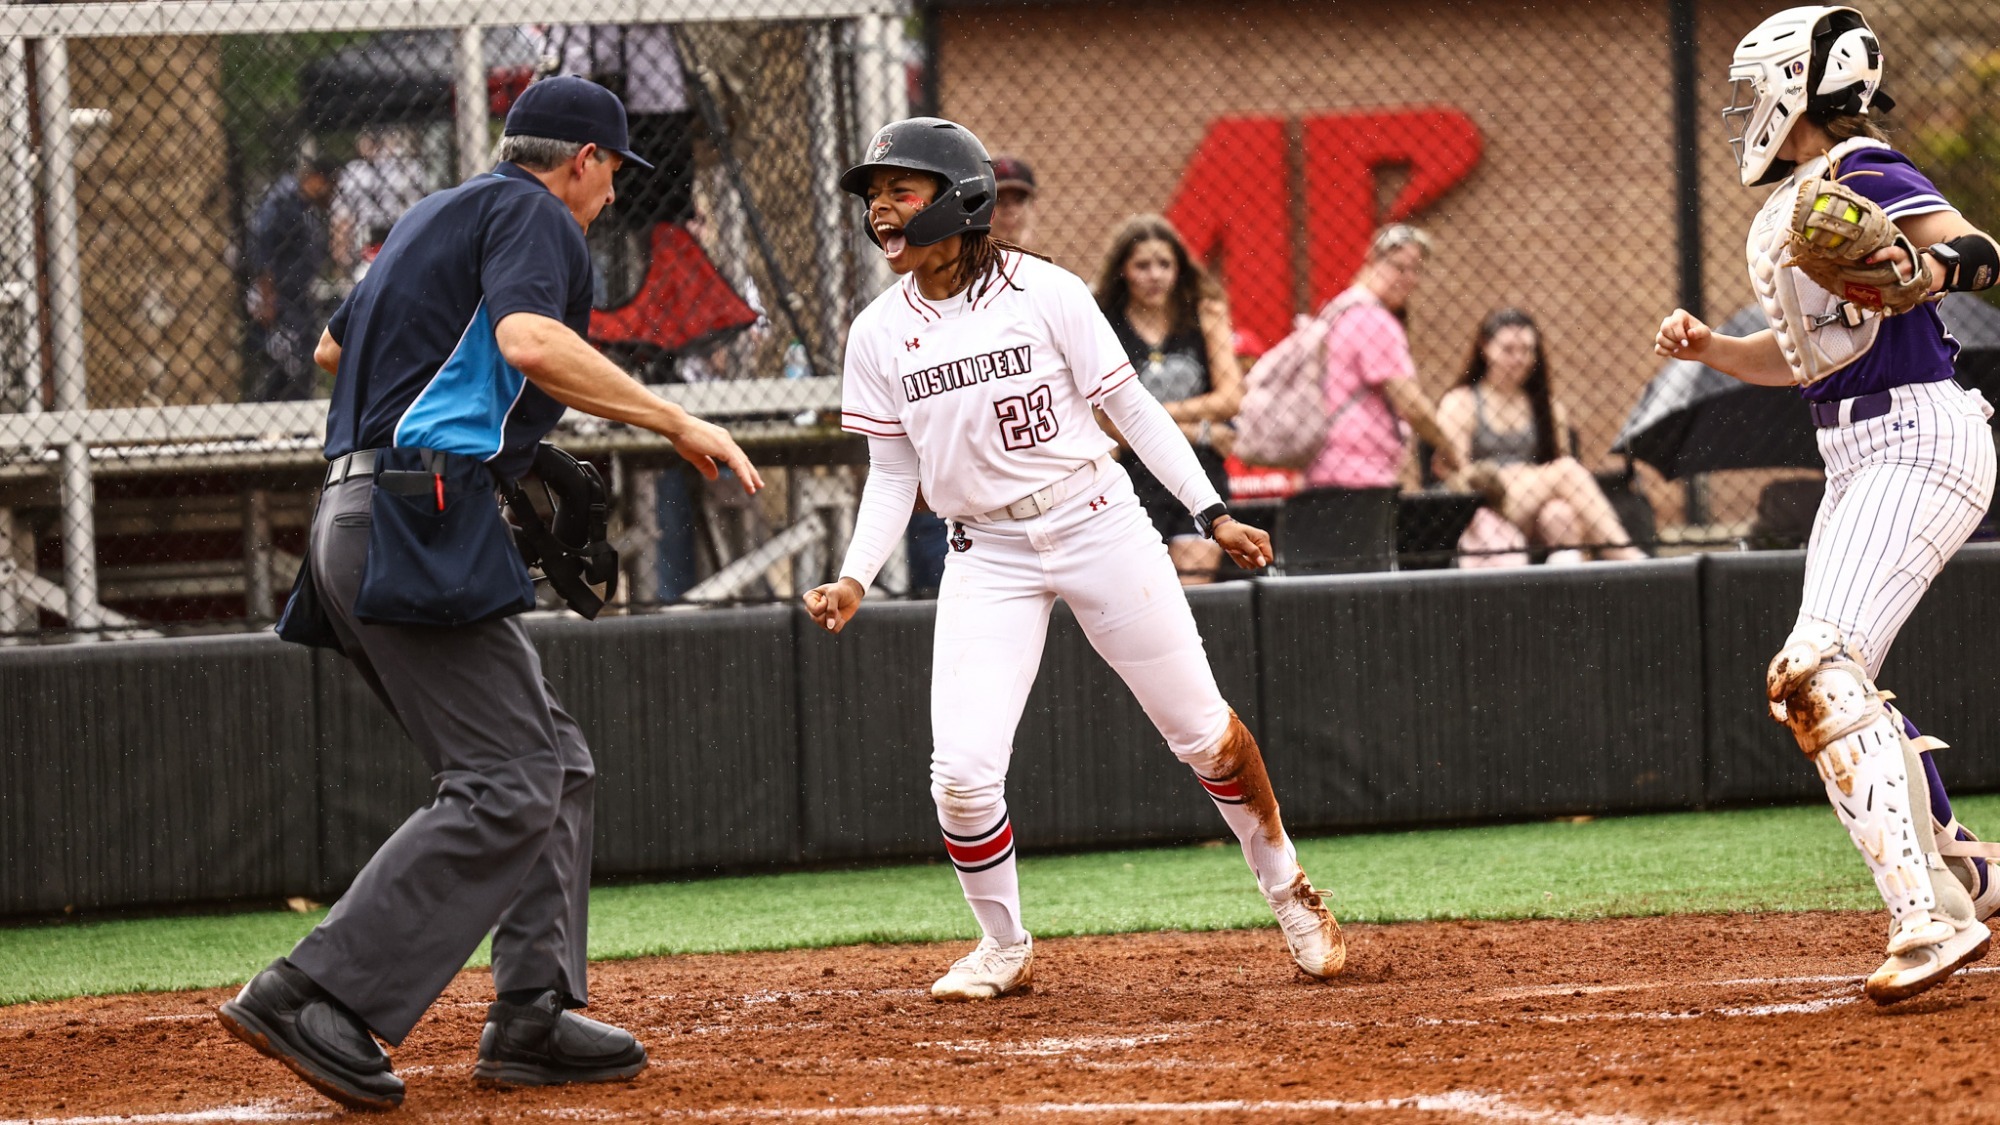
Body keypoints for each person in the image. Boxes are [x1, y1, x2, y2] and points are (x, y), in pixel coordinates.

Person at [218, 77, 763, 1110]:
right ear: (584, 162)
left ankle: (534, 1010)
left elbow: (340, 347)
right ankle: (315, 991)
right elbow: (526, 342)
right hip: (412, 508)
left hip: (364, 509)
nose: (607, 198)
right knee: (508, 777)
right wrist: (673, 421)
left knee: (549, 764)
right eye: (611, 177)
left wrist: (499, 443)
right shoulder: (534, 211)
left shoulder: (438, 211)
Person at [803, 117, 1342, 1001]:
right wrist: (857, 572)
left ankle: (1290, 892)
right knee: (962, 776)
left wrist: (1211, 511)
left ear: (959, 197)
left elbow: (1130, 411)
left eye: (901, 190)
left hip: (1097, 521)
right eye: (873, 197)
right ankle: (1002, 943)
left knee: (1203, 733)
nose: (882, 210)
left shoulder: (1044, 290)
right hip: (986, 552)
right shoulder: (876, 333)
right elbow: (892, 471)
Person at [1655, 5, 2000, 1005]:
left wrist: (1926, 270)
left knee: (1812, 668)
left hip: (1916, 437)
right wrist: (1712, 353)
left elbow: (1977, 249)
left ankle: (1924, 915)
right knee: (1828, 674)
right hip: (1857, 450)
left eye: (1752, 90)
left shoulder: (1859, 168)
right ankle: (1965, 873)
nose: (1741, 111)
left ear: (1794, 90)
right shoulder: (1795, 204)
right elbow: (1811, 360)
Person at [1094, 214, 1242, 584]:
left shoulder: (1204, 316)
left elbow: (1230, 398)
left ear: (1179, 267)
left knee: (1194, 591)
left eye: (1164, 264)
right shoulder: (1105, 325)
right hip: (1134, 477)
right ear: (1124, 269)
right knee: (1148, 591)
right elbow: (1109, 426)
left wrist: (1146, 415)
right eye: (1142, 265)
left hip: (1198, 470)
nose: (1155, 274)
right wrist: (1200, 430)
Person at [1435, 308, 1645, 563]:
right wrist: (1506, 478)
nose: (1519, 358)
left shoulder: (1547, 407)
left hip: (1531, 512)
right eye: (1508, 350)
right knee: (1567, 470)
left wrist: (1529, 478)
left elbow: (1560, 475)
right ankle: (1630, 557)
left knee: (1560, 515)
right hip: (1483, 507)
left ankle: (1567, 590)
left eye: (1527, 350)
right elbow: (1459, 474)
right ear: (1485, 347)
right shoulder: (1461, 403)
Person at [1304, 224, 1460, 491]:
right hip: (1358, 471)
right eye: (1400, 267)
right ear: (1373, 262)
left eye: (1416, 270)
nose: (1410, 278)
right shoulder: (1374, 319)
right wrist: (1448, 448)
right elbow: (1410, 403)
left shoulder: (1339, 311)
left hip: (1322, 464)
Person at [247, 155, 338, 402]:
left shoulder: (304, 207)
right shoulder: (281, 201)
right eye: (331, 185)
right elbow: (260, 250)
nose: (332, 194)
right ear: (317, 179)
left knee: (298, 367)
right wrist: (267, 299)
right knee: (285, 367)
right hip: (279, 301)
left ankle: (293, 426)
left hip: (297, 299)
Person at [329, 127, 429, 276]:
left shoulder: (356, 171)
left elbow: (342, 221)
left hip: (367, 253)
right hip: (405, 248)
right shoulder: (410, 168)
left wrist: (342, 257)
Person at [990, 154, 1037, 246]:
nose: (1009, 210)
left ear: (1034, 207)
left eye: (1019, 199)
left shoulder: (1041, 260)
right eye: (998, 200)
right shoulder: (965, 259)